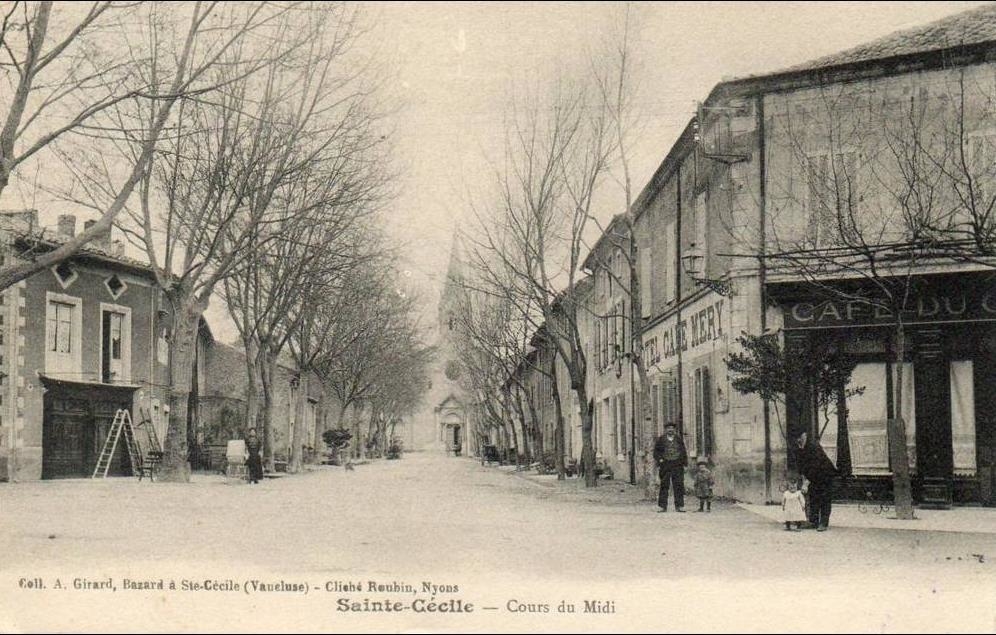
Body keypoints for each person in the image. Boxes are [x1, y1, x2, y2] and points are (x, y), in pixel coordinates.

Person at [795, 431, 838, 531]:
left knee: (824, 499)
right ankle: (813, 521)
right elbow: (801, 465)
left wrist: (806, 482)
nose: (798, 440)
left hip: (825, 474)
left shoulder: (813, 446)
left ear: (804, 435)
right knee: (813, 497)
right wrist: (804, 478)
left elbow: (816, 465)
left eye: (799, 438)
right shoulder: (800, 447)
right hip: (813, 476)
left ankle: (823, 523)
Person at [653, 423, 688, 512]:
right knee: (664, 485)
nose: (670, 430)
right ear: (665, 430)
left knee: (678, 485)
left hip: (677, 464)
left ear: (674, 430)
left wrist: (685, 464)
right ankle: (662, 506)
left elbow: (683, 452)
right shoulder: (661, 440)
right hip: (666, 464)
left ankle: (679, 506)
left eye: (672, 428)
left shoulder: (679, 440)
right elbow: (656, 452)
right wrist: (660, 459)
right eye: (668, 428)